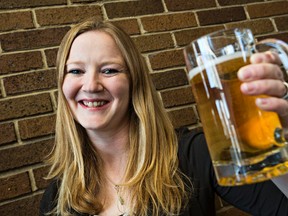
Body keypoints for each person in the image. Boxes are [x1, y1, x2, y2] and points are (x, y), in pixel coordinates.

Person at [40, 17, 288, 216]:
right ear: (62, 86)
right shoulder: (56, 198)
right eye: (75, 71)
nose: (91, 84)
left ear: (134, 82)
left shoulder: (193, 153)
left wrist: (282, 130)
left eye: (109, 70)